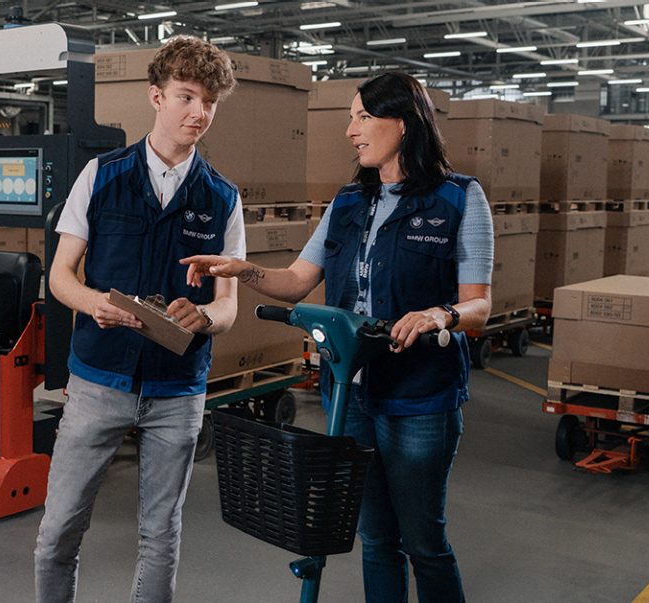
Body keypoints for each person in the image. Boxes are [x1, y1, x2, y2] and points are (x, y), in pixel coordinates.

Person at [181, 71, 493, 603]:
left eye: (362, 116)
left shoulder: (459, 199)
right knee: (375, 538)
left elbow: (479, 306)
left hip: (421, 397)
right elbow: (298, 281)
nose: (351, 130)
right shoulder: (347, 203)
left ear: (404, 122)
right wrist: (241, 269)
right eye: (351, 117)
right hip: (351, 392)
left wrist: (439, 315)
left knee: (423, 541)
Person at [33, 36, 247, 603]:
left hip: (178, 389)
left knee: (161, 533)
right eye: (187, 97)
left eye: (210, 103)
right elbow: (60, 277)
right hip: (99, 379)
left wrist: (203, 317)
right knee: (59, 530)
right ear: (156, 96)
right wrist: (92, 304)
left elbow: (228, 306)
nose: (199, 113)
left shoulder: (223, 198)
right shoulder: (101, 176)